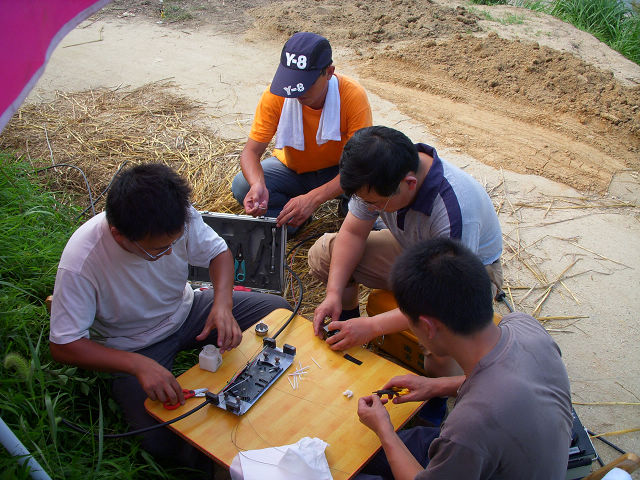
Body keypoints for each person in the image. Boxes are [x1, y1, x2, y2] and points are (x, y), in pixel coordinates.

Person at [49, 163, 291, 476]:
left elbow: (219, 253)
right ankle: (219, 465)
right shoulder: (82, 261)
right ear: (118, 235)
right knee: (159, 437)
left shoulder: (177, 215)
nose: (168, 254)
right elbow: (64, 345)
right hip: (133, 345)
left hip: (188, 310)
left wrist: (222, 304)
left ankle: (280, 403)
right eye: (158, 249)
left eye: (174, 244)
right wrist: (137, 365)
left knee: (278, 311)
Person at [355, 238, 572, 480]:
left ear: (428, 327)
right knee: (383, 451)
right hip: (523, 458)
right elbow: (502, 383)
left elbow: (481, 418)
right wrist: (435, 386)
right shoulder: (525, 326)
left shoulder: (469, 427)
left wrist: (384, 430)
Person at [309, 126, 503, 369]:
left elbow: (443, 297)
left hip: (462, 277)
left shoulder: (454, 211)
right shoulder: (379, 172)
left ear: (410, 183)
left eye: (375, 203)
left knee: (440, 341)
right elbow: (352, 233)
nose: (370, 207)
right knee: (325, 253)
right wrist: (333, 294)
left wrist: (373, 326)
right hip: (415, 251)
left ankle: (435, 399)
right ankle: (346, 324)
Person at [231, 31, 372, 235]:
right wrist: (257, 184)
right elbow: (250, 153)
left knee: (374, 177)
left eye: (307, 83)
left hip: (341, 170)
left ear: (329, 72)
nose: (297, 90)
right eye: (292, 80)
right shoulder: (277, 94)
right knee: (241, 185)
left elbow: (359, 166)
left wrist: (313, 199)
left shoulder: (352, 96)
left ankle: (349, 206)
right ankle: (294, 218)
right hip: (293, 171)